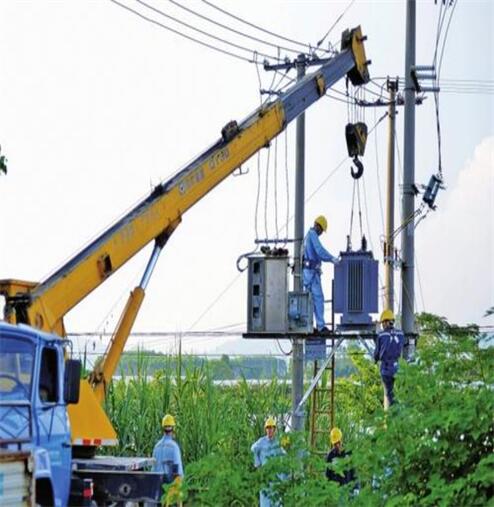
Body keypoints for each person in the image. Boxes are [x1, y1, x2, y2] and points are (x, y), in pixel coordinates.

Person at [303, 215, 339, 334]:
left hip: (308, 272)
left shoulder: (308, 236)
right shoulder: (312, 234)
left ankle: (308, 325)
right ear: (318, 226)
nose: (321, 233)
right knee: (318, 298)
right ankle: (320, 326)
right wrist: (332, 259)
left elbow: (316, 253)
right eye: (322, 230)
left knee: (308, 300)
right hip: (311, 273)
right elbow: (320, 251)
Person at [374, 310, 405, 410]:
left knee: (389, 393)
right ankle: (401, 408)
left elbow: (377, 354)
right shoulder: (401, 334)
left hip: (386, 368)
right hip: (397, 367)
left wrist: (375, 360)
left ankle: (395, 410)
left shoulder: (381, 335)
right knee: (399, 392)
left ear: (385, 322)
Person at [251, 417, 284, 507]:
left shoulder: (278, 443)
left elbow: (284, 456)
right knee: (265, 500)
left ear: (275, 429)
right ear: (265, 429)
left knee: (277, 500)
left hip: (276, 476)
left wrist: (283, 476)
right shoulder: (261, 442)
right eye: (268, 428)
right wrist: (258, 464)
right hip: (265, 475)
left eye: (271, 428)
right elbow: (253, 449)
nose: (269, 430)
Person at [152, 414, 184, 483]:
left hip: (157, 486)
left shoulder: (156, 447)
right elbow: (178, 471)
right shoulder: (174, 447)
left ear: (163, 428)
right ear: (173, 428)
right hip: (169, 488)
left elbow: (153, 469)